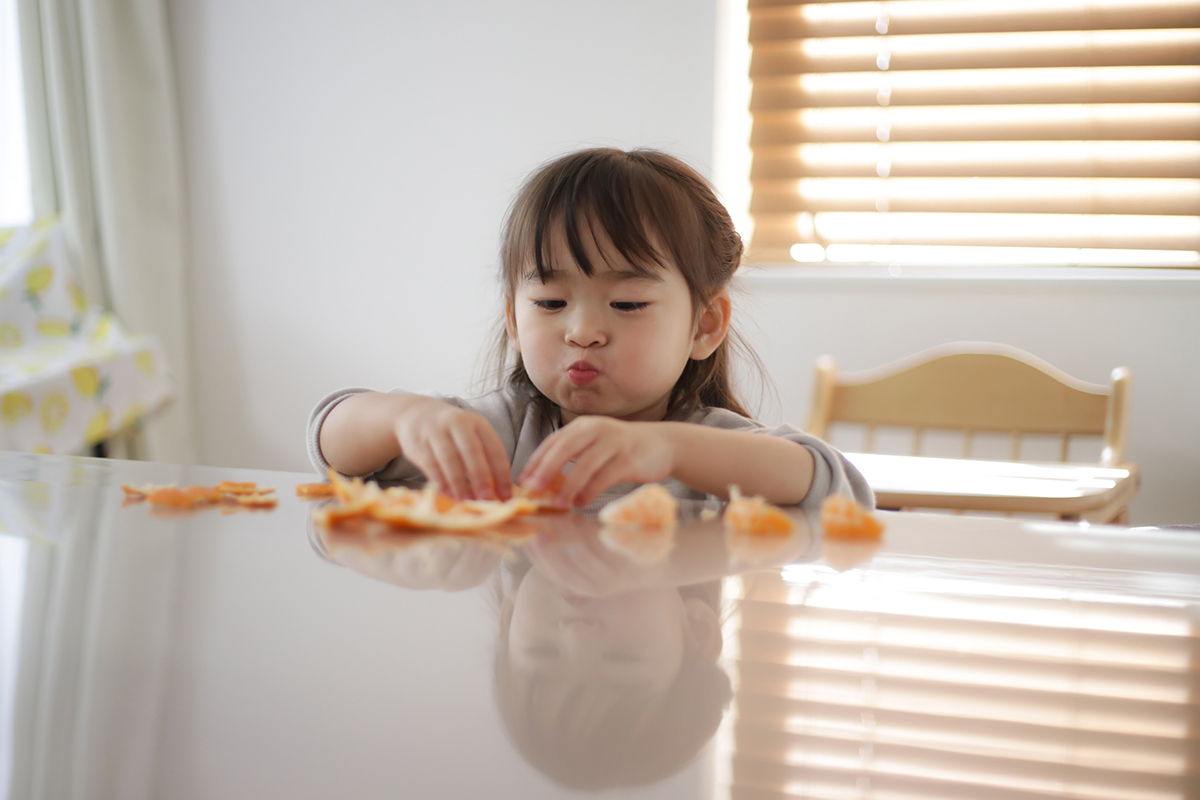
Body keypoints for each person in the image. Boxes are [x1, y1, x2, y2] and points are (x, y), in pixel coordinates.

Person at [307, 147, 872, 512]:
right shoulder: (503, 435)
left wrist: (667, 450)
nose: (582, 331)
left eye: (626, 303)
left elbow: (836, 486)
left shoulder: (712, 453)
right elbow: (334, 443)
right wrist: (405, 417)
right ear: (513, 319)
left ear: (704, 325)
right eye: (551, 301)